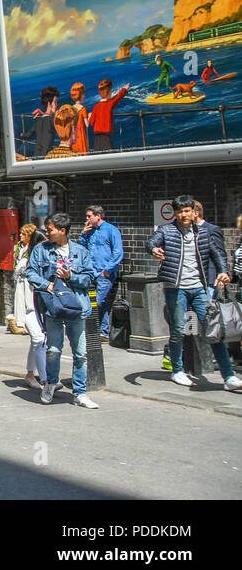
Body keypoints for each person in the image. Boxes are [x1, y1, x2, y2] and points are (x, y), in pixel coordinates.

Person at [148, 195, 241, 390]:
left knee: (214, 330)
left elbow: (217, 253)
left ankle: (229, 376)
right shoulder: (167, 231)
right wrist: (154, 249)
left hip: (199, 287)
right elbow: (151, 242)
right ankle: (178, 371)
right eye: (180, 211)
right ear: (175, 213)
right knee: (178, 330)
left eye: (187, 210)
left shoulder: (203, 233)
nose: (184, 214)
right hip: (176, 288)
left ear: (194, 212)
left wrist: (224, 271)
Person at [26, 212, 98, 408]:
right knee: (53, 350)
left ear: (62, 231)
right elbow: (30, 272)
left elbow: (89, 278)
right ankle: (50, 384)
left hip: (76, 307)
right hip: (53, 307)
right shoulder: (41, 250)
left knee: (80, 352)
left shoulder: (80, 252)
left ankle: (80, 392)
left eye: (50, 230)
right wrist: (45, 285)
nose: (47, 233)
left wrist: (70, 276)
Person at [80, 205, 124, 339]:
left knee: (96, 302)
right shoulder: (90, 231)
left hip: (104, 273)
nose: (87, 219)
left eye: (89, 216)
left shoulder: (111, 230)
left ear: (98, 216)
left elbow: (118, 252)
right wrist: (83, 235)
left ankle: (87, 329)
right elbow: (82, 250)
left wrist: (107, 270)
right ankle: (103, 332)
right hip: (91, 272)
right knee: (101, 302)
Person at [12, 226, 48, 389]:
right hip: (29, 308)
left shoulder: (45, 262)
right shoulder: (25, 263)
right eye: (43, 244)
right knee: (39, 340)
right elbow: (20, 291)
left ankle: (30, 374)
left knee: (38, 342)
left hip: (41, 307)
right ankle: (48, 380)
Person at [89, 79, 129, 152]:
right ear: (109, 92)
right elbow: (117, 97)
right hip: (106, 136)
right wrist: (125, 89)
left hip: (97, 137)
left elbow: (91, 121)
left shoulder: (96, 106)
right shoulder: (109, 104)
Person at [31, 86, 59, 158]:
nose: (57, 105)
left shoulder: (41, 120)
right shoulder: (52, 120)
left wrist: (44, 114)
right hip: (46, 157)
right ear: (49, 104)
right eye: (55, 102)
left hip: (37, 155)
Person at [68, 82, 90, 155]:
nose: (84, 95)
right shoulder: (83, 109)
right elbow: (87, 124)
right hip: (80, 135)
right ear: (80, 95)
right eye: (83, 94)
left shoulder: (71, 108)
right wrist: (89, 116)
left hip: (73, 135)